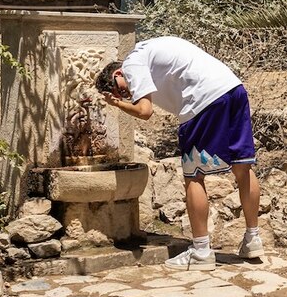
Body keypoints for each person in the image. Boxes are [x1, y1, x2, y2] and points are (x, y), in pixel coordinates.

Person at [95, 36, 263, 271]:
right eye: (121, 96)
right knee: (242, 167)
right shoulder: (152, 51)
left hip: (203, 100)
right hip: (233, 89)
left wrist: (118, 105)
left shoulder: (132, 62)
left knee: (194, 176)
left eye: (120, 89)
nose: (125, 94)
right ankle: (252, 239)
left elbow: (145, 112)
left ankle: (201, 252)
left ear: (118, 73)